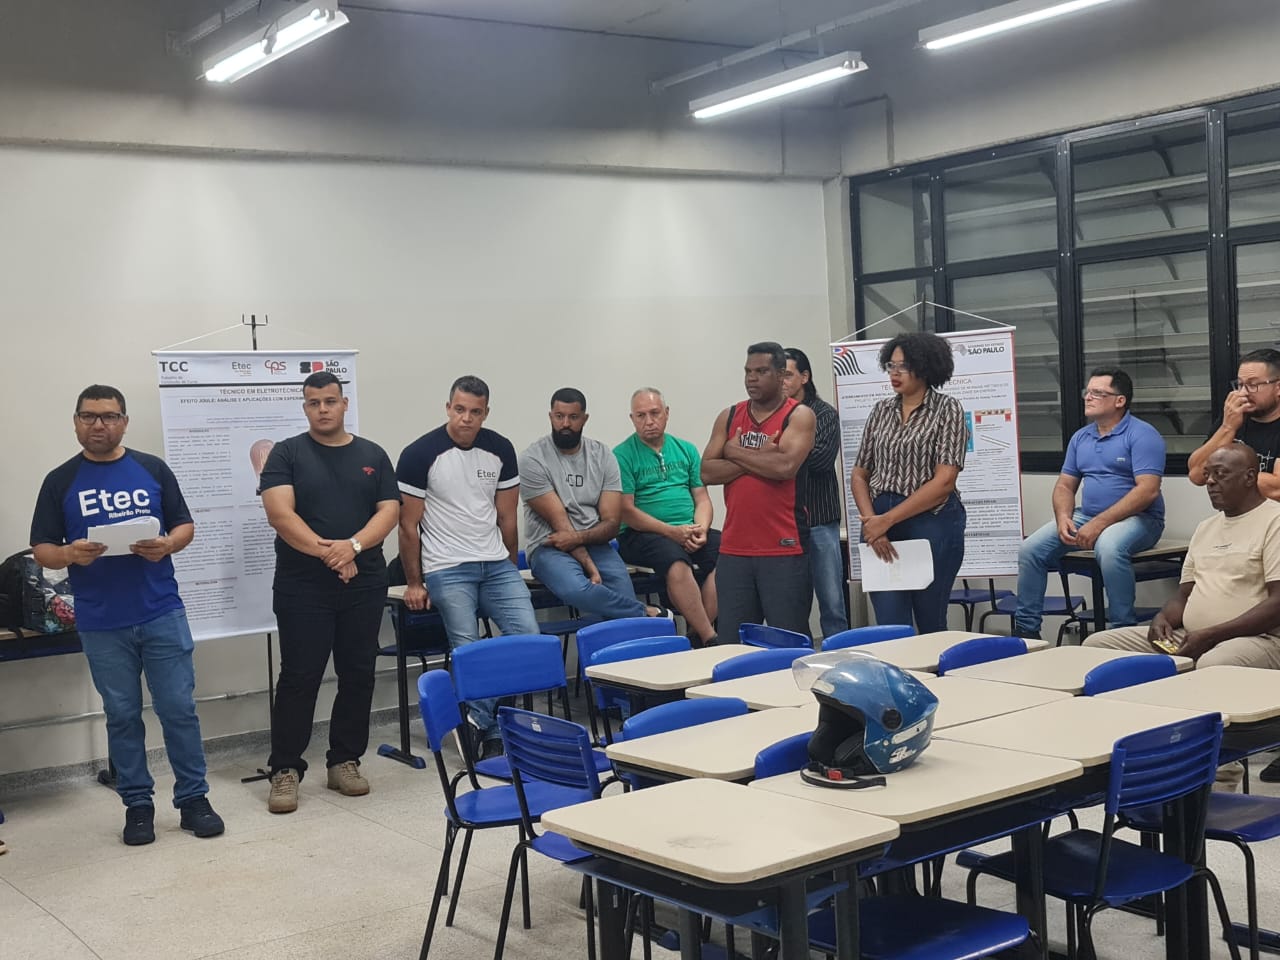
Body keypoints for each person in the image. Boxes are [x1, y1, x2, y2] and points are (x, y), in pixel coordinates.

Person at [30, 384, 224, 845]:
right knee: (121, 715)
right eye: (89, 416)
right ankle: (137, 805)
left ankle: (193, 799)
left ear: (124, 422)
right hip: (101, 620)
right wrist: (69, 554)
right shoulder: (60, 480)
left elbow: (185, 525)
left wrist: (168, 544)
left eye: (109, 416)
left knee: (179, 709)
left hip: (160, 610)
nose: (99, 424)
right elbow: (42, 550)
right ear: (76, 422)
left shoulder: (152, 468)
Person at [258, 371, 400, 814]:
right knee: (300, 677)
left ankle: (344, 761)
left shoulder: (372, 454)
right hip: (303, 586)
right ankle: (285, 768)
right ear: (305, 407)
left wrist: (352, 547)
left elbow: (389, 511)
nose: (322, 409)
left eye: (330, 401)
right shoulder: (287, 453)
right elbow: (280, 515)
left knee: (358, 673)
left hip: (365, 582)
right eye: (314, 402)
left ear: (344, 404)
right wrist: (334, 555)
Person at [396, 375, 539, 759]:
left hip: (495, 564)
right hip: (447, 566)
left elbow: (507, 518)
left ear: (485, 413)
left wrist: (509, 567)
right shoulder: (420, 454)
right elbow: (408, 526)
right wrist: (414, 582)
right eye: (459, 409)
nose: (466, 418)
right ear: (448, 408)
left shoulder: (500, 449)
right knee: (467, 647)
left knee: (528, 638)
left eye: (475, 412)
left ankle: (482, 717)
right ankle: (488, 729)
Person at [1085, 444, 1280, 668]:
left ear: (1249, 477)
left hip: (1257, 639)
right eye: (1207, 474)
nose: (1210, 482)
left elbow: (1277, 604)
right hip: (1194, 636)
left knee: (1213, 663)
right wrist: (1162, 619)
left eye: (1220, 474)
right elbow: (1183, 595)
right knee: (1097, 645)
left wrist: (1212, 635)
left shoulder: (1274, 521)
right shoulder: (1205, 528)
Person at [1013, 368, 1165, 640]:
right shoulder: (1081, 437)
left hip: (1141, 519)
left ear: (1119, 401)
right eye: (1088, 391)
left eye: (1098, 393)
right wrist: (1063, 517)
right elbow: (1064, 485)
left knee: (1108, 547)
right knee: (1030, 550)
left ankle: (1121, 631)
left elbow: (1148, 490)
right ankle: (1026, 632)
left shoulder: (1143, 434)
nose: (1088, 397)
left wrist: (1099, 523)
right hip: (1088, 516)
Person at [850, 332, 967, 634]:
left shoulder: (948, 409)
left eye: (904, 366)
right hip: (878, 520)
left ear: (926, 367)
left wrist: (886, 520)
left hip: (931, 520)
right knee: (890, 625)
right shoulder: (880, 410)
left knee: (930, 621)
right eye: (891, 365)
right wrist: (873, 524)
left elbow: (944, 481)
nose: (895, 372)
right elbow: (859, 474)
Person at [520, 388, 667, 624]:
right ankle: (646, 612)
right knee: (578, 589)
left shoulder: (603, 455)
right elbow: (560, 522)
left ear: (584, 418)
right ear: (550, 416)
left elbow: (612, 523)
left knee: (622, 600)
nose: (565, 423)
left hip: (597, 543)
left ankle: (630, 635)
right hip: (549, 546)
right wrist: (589, 566)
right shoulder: (532, 459)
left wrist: (588, 555)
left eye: (573, 417)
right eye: (559, 416)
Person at [701, 342, 816, 642]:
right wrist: (758, 457)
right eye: (748, 371)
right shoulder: (729, 416)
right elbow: (707, 471)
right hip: (734, 550)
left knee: (787, 642)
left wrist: (733, 452)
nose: (752, 378)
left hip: (783, 548)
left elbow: (785, 467)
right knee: (733, 643)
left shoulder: (799, 415)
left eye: (761, 371)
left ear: (781, 375)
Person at [615, 388, 720, 645]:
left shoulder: (686, 449)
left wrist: (701, 528)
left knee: (730, 553)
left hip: (688, 530)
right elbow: (626, 510)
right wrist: (671, 532)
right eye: (641, 415)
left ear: (667, 413)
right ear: (632, 419)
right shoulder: (621, 455)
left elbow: (702, 499)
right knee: (676, 561)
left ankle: (696, 635)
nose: (649, 421)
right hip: (642, 534)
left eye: (654, 413)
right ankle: (709, 637)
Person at [782, 347, 847, 639]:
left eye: (787, 374)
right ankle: (801, 653)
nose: (781, 381)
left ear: (804, 377)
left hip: (820, 519)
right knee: (792, 602)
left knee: (831, 601)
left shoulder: (824, 414)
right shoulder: (774, 415)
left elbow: (820, 461)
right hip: (786, 523)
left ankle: (839, 654)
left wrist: (782, 455)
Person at [1188, 348, 1280, 496]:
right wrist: (1227, 427)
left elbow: (1276, 487)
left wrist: (1224, 472)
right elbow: (1197, 474)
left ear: (1278, 387)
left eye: (1253, 385)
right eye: (1240, 384)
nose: (1243, 393)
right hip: (1234, 509)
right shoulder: (1234, 416)